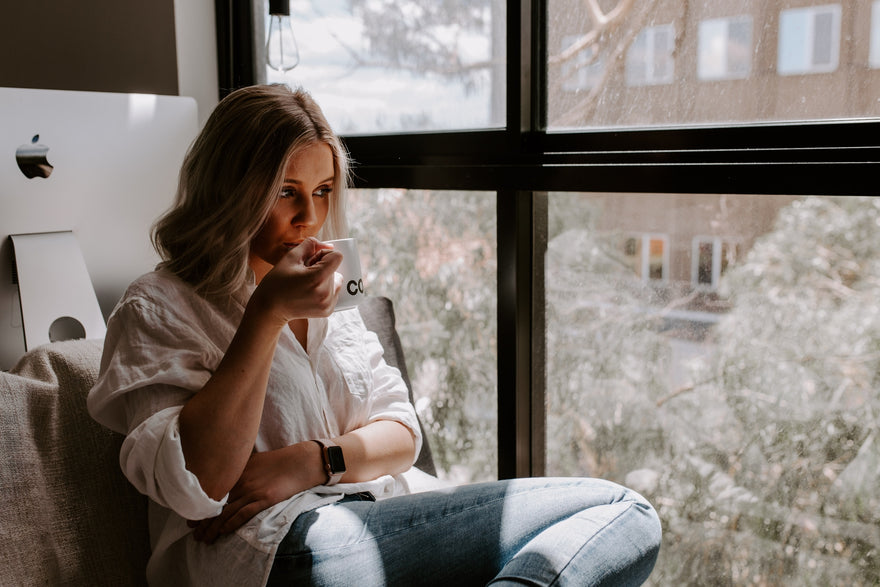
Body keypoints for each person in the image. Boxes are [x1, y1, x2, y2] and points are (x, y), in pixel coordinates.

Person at [87, 83, 661, 587]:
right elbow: (198, 484)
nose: (309, 218)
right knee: (619, 509)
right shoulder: (160, 305)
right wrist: (266, 314)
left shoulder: (330, 297)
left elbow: (402, 433)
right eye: (285, 191)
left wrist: (313, 461)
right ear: (230, 189)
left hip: (372, 515)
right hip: (271, 553)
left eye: (322, 191)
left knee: (618, 522)